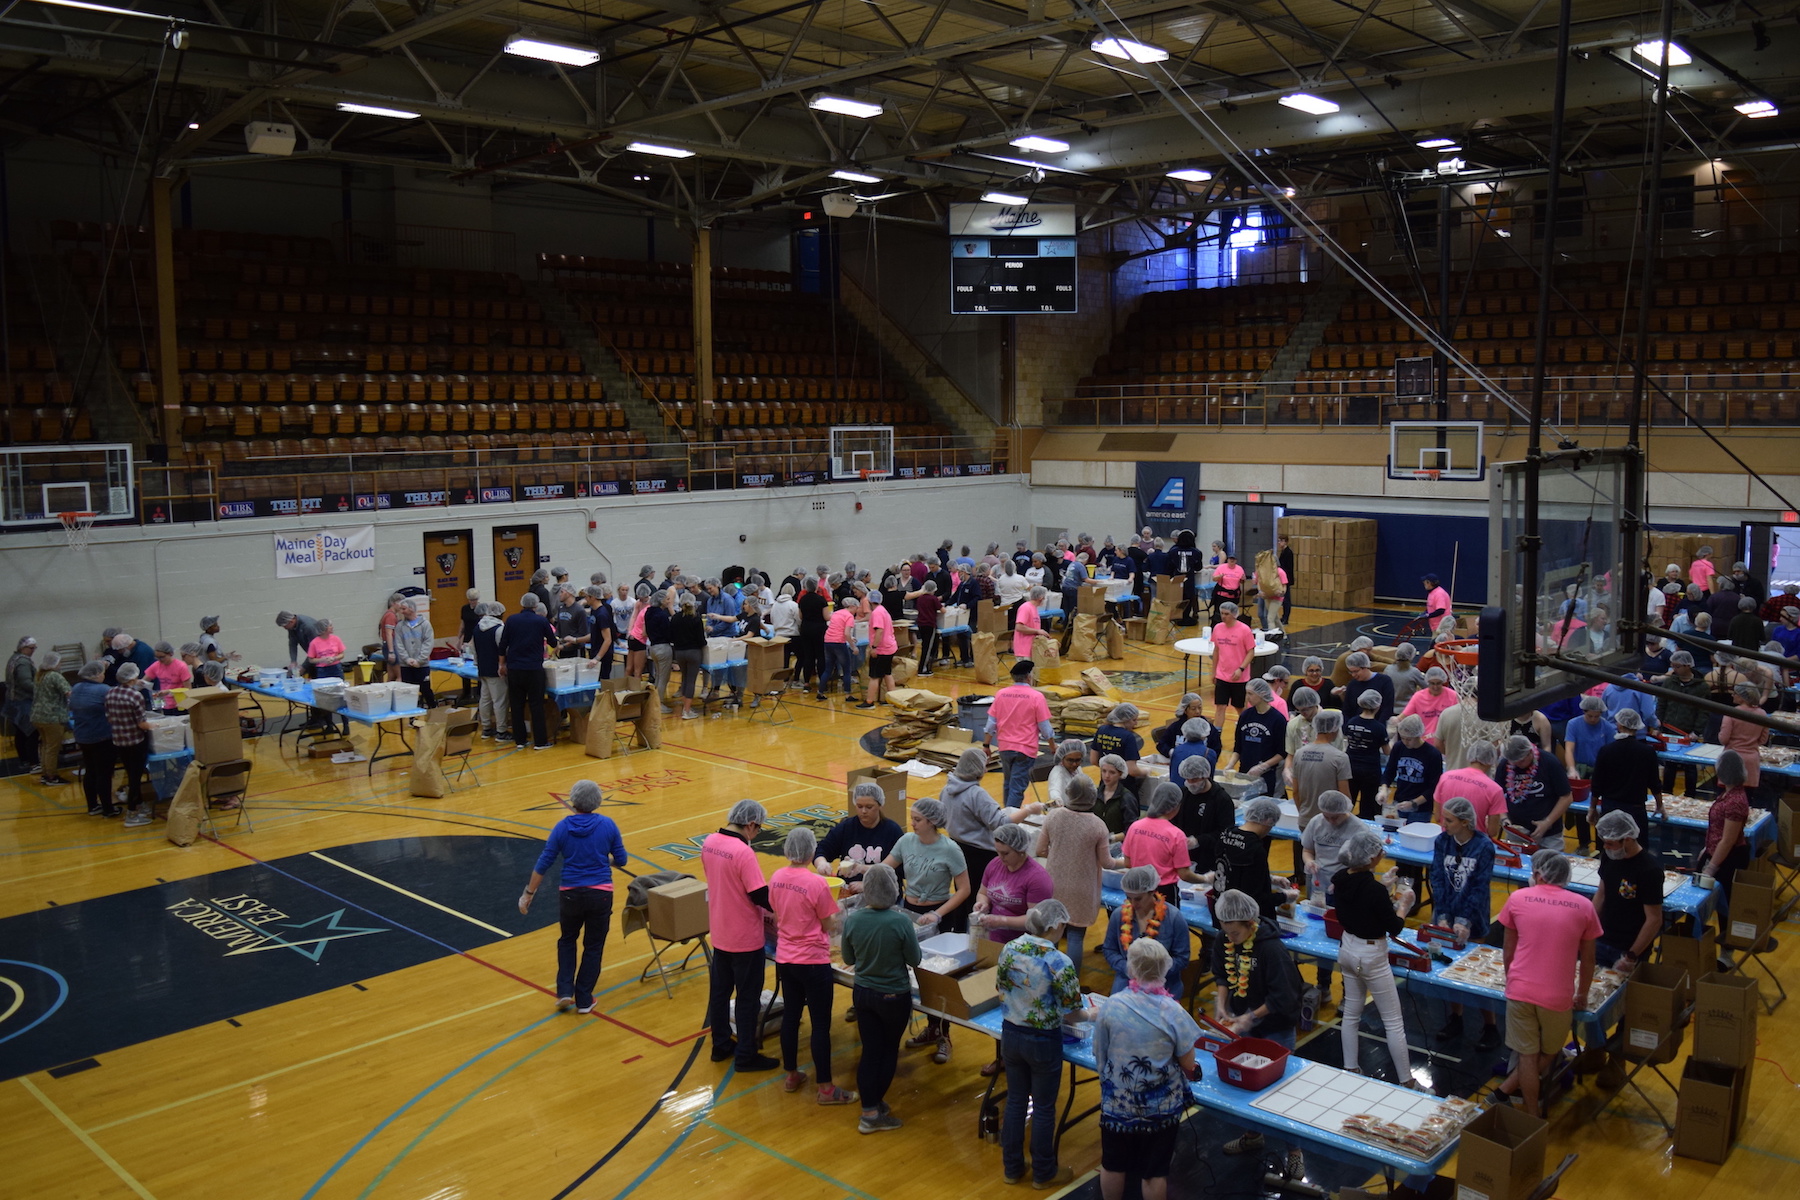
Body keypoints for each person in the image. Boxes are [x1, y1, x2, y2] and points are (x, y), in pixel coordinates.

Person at [1492, 850, 1600, 1118]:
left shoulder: (1517, 898)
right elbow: (1588, 961)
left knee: (1526, 1055)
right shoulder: (1584, 906)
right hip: (1557, 996)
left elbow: (1508, 950)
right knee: (1550, 1052)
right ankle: (1506, 1092)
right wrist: (1582, 994)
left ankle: (1531, 1114)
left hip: (1521, 990)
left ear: (1539, 874)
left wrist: (1512, 980)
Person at [1095, 937, 1202, 1200]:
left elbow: (1100, 1052)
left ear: (1131, 968)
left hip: (1118, 1103)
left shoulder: (1112, 1005)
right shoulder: (1173, 1011)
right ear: (1164, 970)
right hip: (1161, 1109)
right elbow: (1189, 1064)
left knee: (1112, 1164)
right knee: (1154, 1172)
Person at [1213, 887, 1306, 1178]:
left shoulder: (1271, 949)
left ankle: (1294, 1151)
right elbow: (1221, 973)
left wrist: (1250, 1017)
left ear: (1250, 924)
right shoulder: (1224, 938)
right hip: (1245, 1025)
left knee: (1282, 1091)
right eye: (1226, 931)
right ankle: (1253, 1136)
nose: (1230, 938)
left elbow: (1283, 996)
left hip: (1275, 1028)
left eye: (1235, 934)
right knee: (1246, 1085)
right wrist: (1222, 1007)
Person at [516, 780, 627, 1015]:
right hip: (600, 894)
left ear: (573, 801)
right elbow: (622, 860)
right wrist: (603, 860)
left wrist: (528, 894)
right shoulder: (608, 825)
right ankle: (584, 999)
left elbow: (544, 863)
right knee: (593, 945)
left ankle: (565, 990)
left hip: (570, 894)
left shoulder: (562, 828)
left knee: (567, 940)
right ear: (597, 801)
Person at [995, 899, 1083, 1189]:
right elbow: (1072, 1010)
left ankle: (1012, 1168)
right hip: (1043, 1040)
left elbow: (1001, 989)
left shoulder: (1009, 949)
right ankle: (1044, 1173)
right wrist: (1093, 1013)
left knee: (1017, 1101)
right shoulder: (1059, 962)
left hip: (1011, 1033)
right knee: (1044, 1107)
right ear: (1055, 926)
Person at [767, 827, 857, 1105]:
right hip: (813, 961)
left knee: (792, 1017)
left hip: (785, 958)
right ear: (810, 852)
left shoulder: (777, 877)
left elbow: (776, 910)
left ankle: (792, 1074)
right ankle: (827, 1088)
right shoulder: (816, 883)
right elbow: (829, 924)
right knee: (820, 1025)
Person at [883, 797, 970, 1062]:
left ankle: (943, 1034)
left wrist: (937, 914)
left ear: (932, 822)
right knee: (910, 970)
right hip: (909, 913)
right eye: (913, 818)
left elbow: (964, 889)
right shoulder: (906, 841)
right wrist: (866, 879)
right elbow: (886, 868)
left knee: (936, 975)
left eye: (918, 819)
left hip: (939, 916)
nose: (913, 823)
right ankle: (928, 1027)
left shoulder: (950, 849)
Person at [1332, 829, 1415, 1085]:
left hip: (1347, 948)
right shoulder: (1374, 891)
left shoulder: (1340, 877)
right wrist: (1404, 906)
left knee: (1351, 1013)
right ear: (1371, 858)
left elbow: (1361, 895)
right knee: (1393, 1021)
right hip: (1371, 955)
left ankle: (1350, 1068)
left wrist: (1384, 885)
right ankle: (1406, 1080)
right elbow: (1394, 927)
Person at [839, 863, 917, 1134]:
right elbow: (914, 959)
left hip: (863, 993)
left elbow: (848, 959)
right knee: (888, 1052)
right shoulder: (901, 922)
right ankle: (871, 1112)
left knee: (870, 1051)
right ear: (894, 890)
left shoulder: (853, 919)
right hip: (894, 995)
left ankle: (870, 1107)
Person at [702, 799, 778, 1072]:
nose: (757, 834)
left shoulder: (709, 842)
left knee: (720, 994)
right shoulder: (743, 852)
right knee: (748, 999)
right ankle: (746, 1055)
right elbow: (759, 894)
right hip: (745, 938)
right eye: (758, 829)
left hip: (720, 932)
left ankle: (720, 1045)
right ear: (750, 824)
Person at [1426, 794, 1502, 1047]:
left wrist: (1464, 920)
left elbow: (1480, 887)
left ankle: (1490, 1025)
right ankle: (1455, 1017)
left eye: (1448, 819)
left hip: (1475, 917)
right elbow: (1437, 878)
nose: (1442, 823)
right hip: (1446, 915)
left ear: (1466, 822)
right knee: (1451, 970)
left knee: (1476, 972)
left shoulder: (1484, 847)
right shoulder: (1441, 842)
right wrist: (1445, 918)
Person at [1036, 774, 1123, 978]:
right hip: (1083, 888)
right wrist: (1127, 863)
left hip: (1055, 883)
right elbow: (1107, 862)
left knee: (1052, 934)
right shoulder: (1097, 825)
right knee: (1076, 937)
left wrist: (1059, 856)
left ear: (1069, 793)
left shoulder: (1053, 816)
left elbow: (1040, 849)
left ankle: (1047, 978)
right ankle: (1069, 982)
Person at [941, 746, 1041, 899]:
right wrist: (1028, 810)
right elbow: (1001, 823)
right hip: (980, 855)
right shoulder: (976, 794)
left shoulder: (946, 789)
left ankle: (961, 923)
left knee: (962, 894)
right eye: (984, 767)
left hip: (956, 848)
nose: (986, 771)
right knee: (983, 897)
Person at [1101, 865, 1191, 996]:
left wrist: (1155, 971)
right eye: (1128, 897)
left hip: (1164, 984)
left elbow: (1182, 957)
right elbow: (1109, 949)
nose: (1132, 904)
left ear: (1152, 891)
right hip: (1128, 980)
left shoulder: (1174, 918)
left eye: (1138, 899)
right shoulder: (1118, 915)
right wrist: (1128, 969)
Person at [985, 660, 1055, 806]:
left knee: (1008, 783)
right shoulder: (1036, 696)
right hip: (1025, 748)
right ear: (1029, 676)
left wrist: (986, 744)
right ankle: (1010, 822)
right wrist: (1053, 746)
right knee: (1017, 787)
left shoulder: (1001, 694)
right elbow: (1045, 727)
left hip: (1004, 747)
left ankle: (1006, 815)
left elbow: (991, 723)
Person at [1123, 782, 1208, 901]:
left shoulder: (1135, 827)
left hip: (1137, 891)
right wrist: (1205, 879)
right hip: (1163, 893)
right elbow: (1184, 874)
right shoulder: (1176, 835)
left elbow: (1127, 862)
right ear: (1176, 806)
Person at [1589, 708, 1663, 844]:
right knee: (1636, 850)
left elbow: (1597, 784)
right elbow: (1654, 783)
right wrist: (1660, 805)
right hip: (1635, 810)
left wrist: (1592, 808)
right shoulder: (1647, 752)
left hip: (1610, 808)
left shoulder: (1606, 751)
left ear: (1620, 725)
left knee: (1609, 850)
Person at [974, 824, 1056, 946]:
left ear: (1020, 850)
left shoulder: (1037, 878)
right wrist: (982, 903)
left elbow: (1035, 920)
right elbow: (982, 893)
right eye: (998, 852)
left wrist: (1002, 921)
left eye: (1005, 853)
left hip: (1021, 943)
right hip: (991, 935)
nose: (1000, 857)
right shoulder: (994, 864)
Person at [1698, 750, 1753, 923]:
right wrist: (1707, 849)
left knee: (1725, 909)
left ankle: (1726, 947)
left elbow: (1728, 839)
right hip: (1716, 852)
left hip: (1728, 858)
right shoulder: (1728, 794)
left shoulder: (1735, 801)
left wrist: (1712, 867)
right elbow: (1718, 829)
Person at [814, 782, 905, 887]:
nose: (864, 811)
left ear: (880, 805)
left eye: (869, 807)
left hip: (883, 893)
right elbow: (822, 849)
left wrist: (867, 885)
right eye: (859, 806)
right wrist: (821, 863)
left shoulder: (892, 831)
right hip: (848, 890)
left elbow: (896, 870)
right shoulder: (846, 827)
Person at [1288, 709, 1352, 852]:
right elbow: (1345, 797)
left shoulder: (1299, 753)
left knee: (1307, 860)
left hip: (1305, 819)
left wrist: (1304, 813)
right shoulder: (1340, 757)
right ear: (1334, 729)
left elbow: (1296, 791)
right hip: (1331, 822)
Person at [498, 593, 554, 748]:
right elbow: (553, 641)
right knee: (536, 704)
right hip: (534, 669)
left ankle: (520, 740)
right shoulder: (541, 621)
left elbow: (503, 644)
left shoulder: (511, 620)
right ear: (536, 605)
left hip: (515, 668)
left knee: (516, 705)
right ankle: (540, 741)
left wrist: (502, 665)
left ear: (522, 603)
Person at [1498, 733, 1573, 849]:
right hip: (1516, 831)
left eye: (1521, 761)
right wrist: (1504, 818)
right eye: (1514, 762)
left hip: (1549, 834)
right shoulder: (1505, 764)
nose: (1517, 764)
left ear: (1530, 752)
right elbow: (1497, 795)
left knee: (1550, 865)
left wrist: (1547, 822)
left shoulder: (1550, 762)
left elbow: (1566, 797)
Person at [107, 663, 153, 827]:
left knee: (130, 772)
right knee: (135, 777)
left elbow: (109, 716)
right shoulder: (135, 696)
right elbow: (141, 724)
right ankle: (132, 813)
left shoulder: (110, 693)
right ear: (133, 678)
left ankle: (139, 804)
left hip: (119, 740)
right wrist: (154, 726)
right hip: (135, 741)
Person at [1226, 680, 1286, 799]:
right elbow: (1238, 747)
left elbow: (1282, 753)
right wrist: (1230, 764)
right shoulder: (1245, 716)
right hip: (1244, 774)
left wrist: (1263, 766)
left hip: (1266, 776)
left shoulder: (1278, 720)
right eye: (1246, 693)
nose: (1247, 698)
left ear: (1262, 694)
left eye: (1250, 694)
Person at [68, 661, 114, 815]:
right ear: (96, 675)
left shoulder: (76, 688)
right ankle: (108, 809)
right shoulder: (103, 690)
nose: (103, 675)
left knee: (91, 771)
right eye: (101, 673)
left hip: (82, 737)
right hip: (101, 736)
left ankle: (92, 805)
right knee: (104, 773)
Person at [1718, 682, 1773, 807]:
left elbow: (1723, 739)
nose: (1732, 695)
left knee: (1725, 803)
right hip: (1751, 761)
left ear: (1742, 697)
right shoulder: (1762, 714)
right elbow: (1763, 740)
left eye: (1735, 693)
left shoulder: (1731, 713)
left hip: (1731, 760)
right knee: (1746, 803)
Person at [1381, 714, 1444, 822]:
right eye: (1403, 738)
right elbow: (1389, 772)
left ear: (1418, 735)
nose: (1405, 742)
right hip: (1399, 802)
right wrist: (1383, 789)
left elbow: (1434, 787)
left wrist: (1414, 803)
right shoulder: (1399, 747)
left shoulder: (1432, 754)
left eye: (1409, 739)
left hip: (1421, 809)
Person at [1209, 601, 1258, 726]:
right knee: (1220, 707)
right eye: (1222, 613)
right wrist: (1213, 672)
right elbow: (1216, 651)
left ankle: (1245, 731)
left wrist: (1241, 669)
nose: (1224, 616)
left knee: (1240, 708)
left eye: (1227, 614)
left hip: (1239, 678)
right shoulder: (1218, 628)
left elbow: (1251, 652)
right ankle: (1217, 736)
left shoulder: (1244, 630)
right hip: (1222, 676)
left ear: (1234, 615)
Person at [30, 649, 70, 786]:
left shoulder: (39, 675)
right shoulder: (55, 676)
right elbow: (69, 692)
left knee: (45, 747)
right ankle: (52, 776)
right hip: (52, 718)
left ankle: (45, 774)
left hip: (37, 716)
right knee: (53, 748)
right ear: (55, 663)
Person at [669, 593, 708, 721]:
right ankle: (686, 710)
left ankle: (686, 707)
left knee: (685, 678)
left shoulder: (675, 618)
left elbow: (672, 637)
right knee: (691, 680)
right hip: (693, 652)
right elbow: (701, 640)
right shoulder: (695, 618)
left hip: (679, 652)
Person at [470, 602, 506, 738]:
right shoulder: (499, 629)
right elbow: (502, 649)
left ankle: (486, 728)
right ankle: (501, 731)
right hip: (496, 670)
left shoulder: (477, 627)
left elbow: (473, 648)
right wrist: (503, 666)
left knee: (485, 699)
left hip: (482, 668)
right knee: (499, 701)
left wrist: (477, 663)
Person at [392, 601, 436, 710]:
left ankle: (434, 710)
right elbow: (399, 644)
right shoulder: (400, 626)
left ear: (411, 609)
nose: (401, 611)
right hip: (406, 665)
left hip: (422, 665)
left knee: (425, 689)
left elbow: (428, 643)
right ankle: (411, 717)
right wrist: (407, 659)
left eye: (403, 609)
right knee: (408, 691)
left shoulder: (425, 624)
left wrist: (419, 660)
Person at [1090, 702, 1148, 779]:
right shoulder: (1128, 736)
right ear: (1125, 719)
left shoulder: (1101, 729)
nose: (1136, 723)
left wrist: (1109, 770)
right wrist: (1146, 771)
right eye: (1134, 720)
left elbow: (1093, 760)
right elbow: (1132, 770)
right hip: (1124, 785)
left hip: (1105, 782)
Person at [859, 591, 897, 709]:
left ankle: (869, 702)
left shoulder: (876, 613)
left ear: (870, 601)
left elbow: (879, 631)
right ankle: (893, 699)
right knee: (887, 673)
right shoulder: (883, 610)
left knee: (874, 676)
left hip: (882, 649)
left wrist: (874, 647)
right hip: (890, 646)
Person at [1336, 651, 1395, 725]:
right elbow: (1347, 709)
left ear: (1366, 667)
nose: (1353, 675)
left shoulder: (1384, 681)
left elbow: (1387, 708)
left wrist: (1378, 728)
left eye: (1356, 671)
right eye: (1351, 672)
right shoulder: (1352, 684)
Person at [1402, 667, 1457, 742]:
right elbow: (1405, 715)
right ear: (1427, 682)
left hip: (1446, 740)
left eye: (1438, 683)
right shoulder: (1419, 696)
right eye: (1432, 683)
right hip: (1424, 741)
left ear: (1443, 682)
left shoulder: (1452, 696)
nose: (1435, 687)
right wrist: (1394, 722)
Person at [1095, 754, 1138, 837]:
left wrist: (1113, 839)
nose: (1107, 776)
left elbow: (1131, 829)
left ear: (1120, 774)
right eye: (1104, 771)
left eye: (1112, 772)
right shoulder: (1095, 793)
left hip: (1118, 846)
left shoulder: (1126, 798)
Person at [1168, 717, 1218, 782]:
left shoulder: (1176, 750)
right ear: (1205, 734)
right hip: (1197, 790)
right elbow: (1209, 779)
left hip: (1176, 790)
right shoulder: (1209, 753)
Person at [1046, 738, 1088, 806]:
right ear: (1062, 758)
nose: (1074, 764)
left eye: (1078, 760)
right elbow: (1054, 790)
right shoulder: (1058, 774)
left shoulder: (1077, 769)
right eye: (1070, 760)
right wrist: (1056, 799)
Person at [1385, 643, 1428, 709]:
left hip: (1389, 708)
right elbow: (1427, 687)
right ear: (1412, 655)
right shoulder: (1414, 672)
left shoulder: (1388, 669)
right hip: (1408, 709)